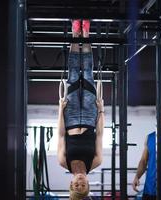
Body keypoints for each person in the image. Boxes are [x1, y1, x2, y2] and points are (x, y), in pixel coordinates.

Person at [57, 19, 105, 200]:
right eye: (83, 185)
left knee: (74, 73)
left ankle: (75, 34)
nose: (80, 181)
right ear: (87, 184)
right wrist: (101, 111)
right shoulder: (96, 161)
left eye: (76, 185)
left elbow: (61, 134)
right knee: (88, 74)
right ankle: (86, 34)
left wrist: (60, 110)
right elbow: (100, 135)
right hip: (89, 116)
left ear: (71, 184)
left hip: (69, 117)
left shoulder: (63, 162)